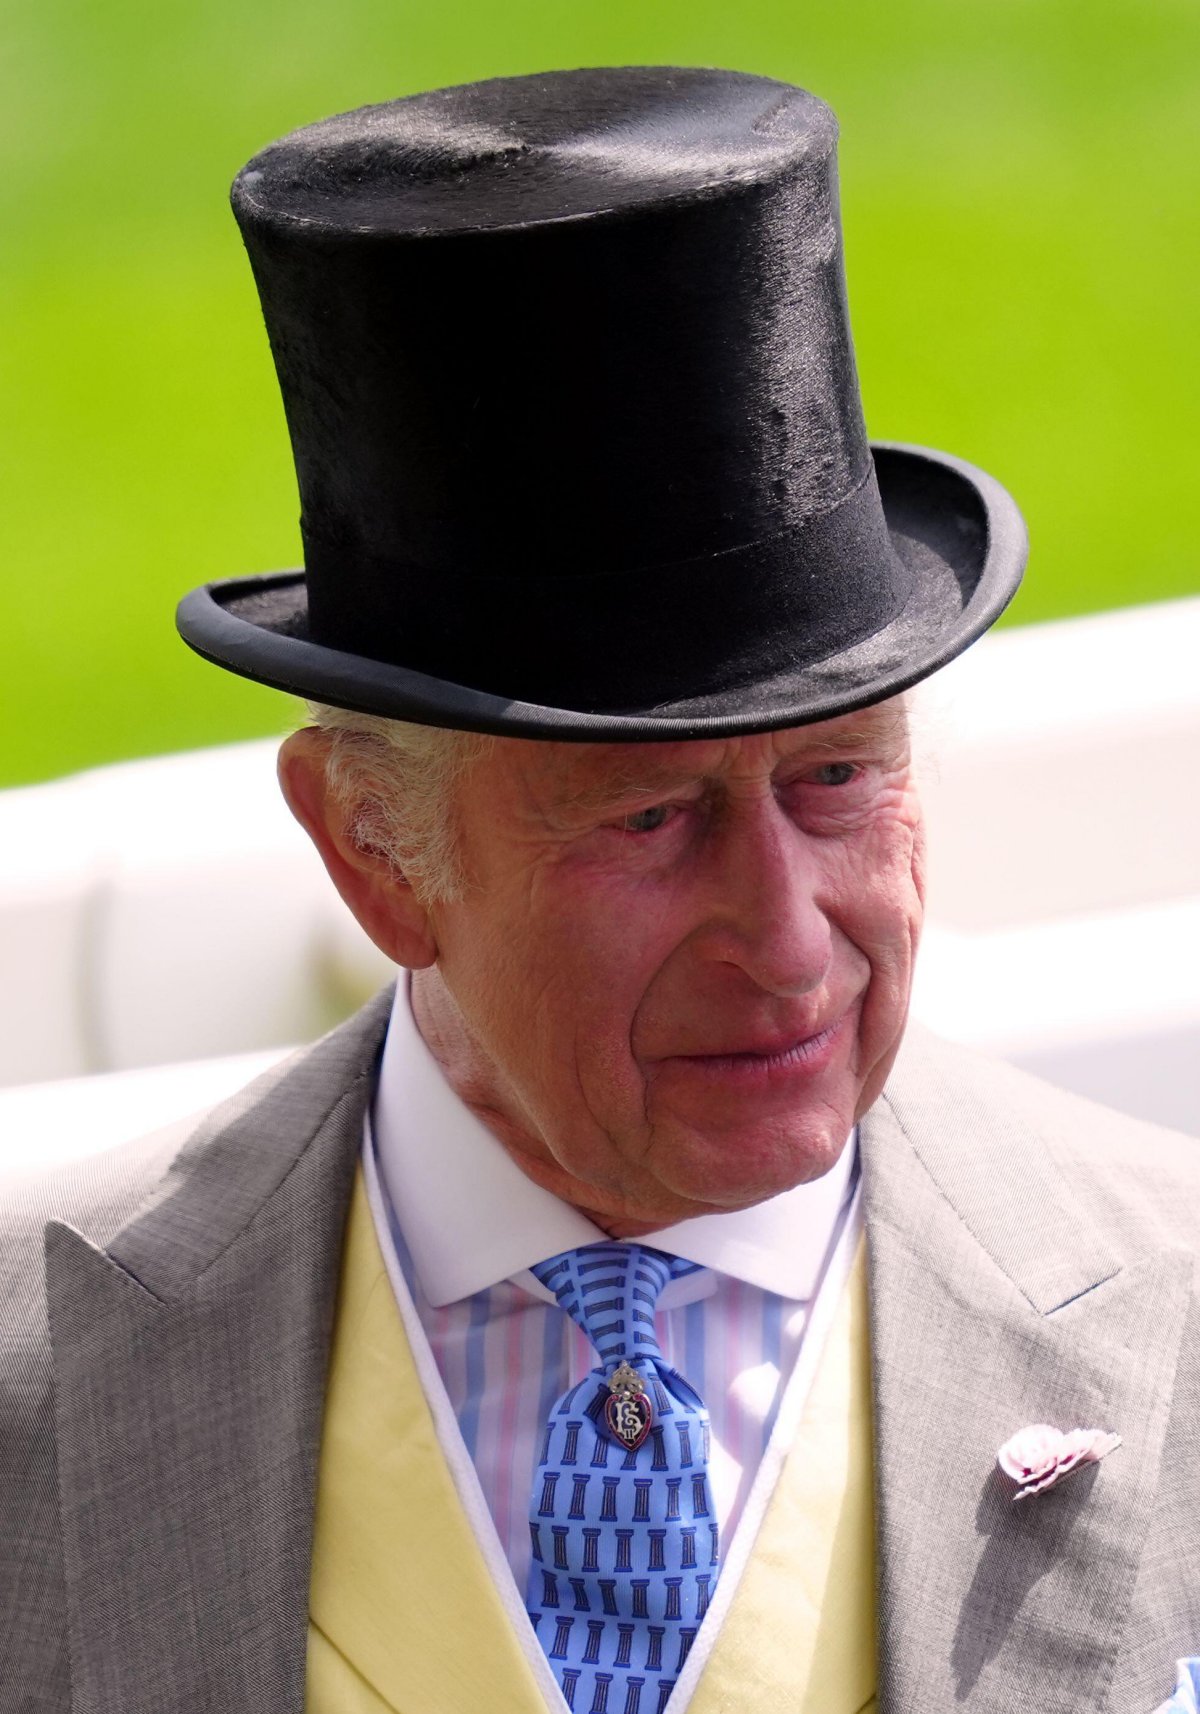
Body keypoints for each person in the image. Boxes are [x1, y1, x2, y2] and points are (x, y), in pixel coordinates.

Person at [2, 67, 1197, 1714]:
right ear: (370, 848)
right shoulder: (30, 1383)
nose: (787, 944)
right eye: (646, 820)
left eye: (837, 777)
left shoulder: (1183, 1310)